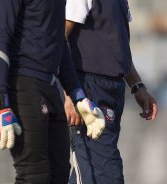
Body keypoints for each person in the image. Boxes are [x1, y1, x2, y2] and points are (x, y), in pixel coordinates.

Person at [0, 0, 105, 183]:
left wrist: (78, 95)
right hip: (23, 83)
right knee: (34, 175)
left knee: (60, 174)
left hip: (50, 86)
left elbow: (59, 43)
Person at [64, 0, 158, 183]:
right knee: (105, 173)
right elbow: (60, 38)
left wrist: (137, 86)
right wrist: (71, 94)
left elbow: (119, 50)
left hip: (113, 90)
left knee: (91, 170)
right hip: (88, 90)